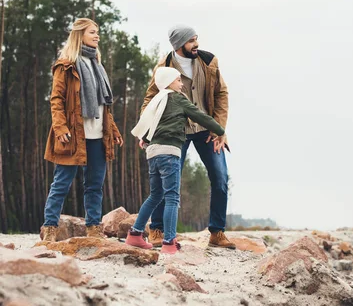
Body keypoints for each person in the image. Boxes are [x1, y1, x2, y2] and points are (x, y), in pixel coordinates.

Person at [141, 24, 235, 249]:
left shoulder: (209, 62)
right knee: (167, 181)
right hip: (176, 133)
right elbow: (150, 99)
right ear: (179, 44)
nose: (197, 44)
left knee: (221, 177)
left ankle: (217, 232)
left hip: (207, 131)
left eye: (197, 39)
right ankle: (157, 230)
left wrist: (219, 128)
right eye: (192, 40)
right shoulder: (163, 66)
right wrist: (146, 131)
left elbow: (221, 93)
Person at [126, 67, 225, 254]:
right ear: (169, 82)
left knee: (155, 195)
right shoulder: (177, 99)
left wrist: (146, 139)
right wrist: (220, 130)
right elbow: (200, 116)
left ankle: (135, 234)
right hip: (169, 152)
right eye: (179, 80)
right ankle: (169, 242)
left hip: (153, 153)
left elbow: (150, 123)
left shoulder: (157, 101)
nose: (181, 84)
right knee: (172, 197)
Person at [41, 18, 123, 242]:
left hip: (98, 134)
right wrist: (60, 126)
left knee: (95, 185)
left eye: (98, 32)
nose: (97, 36)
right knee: (61, 183)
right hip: (73, 134)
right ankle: (49, 228)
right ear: (80, 35)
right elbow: (56, 99)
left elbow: (103, 105)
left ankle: (93, 228)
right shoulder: (66, 64)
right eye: (92, 32)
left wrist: (113, 129)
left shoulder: (97, 64)